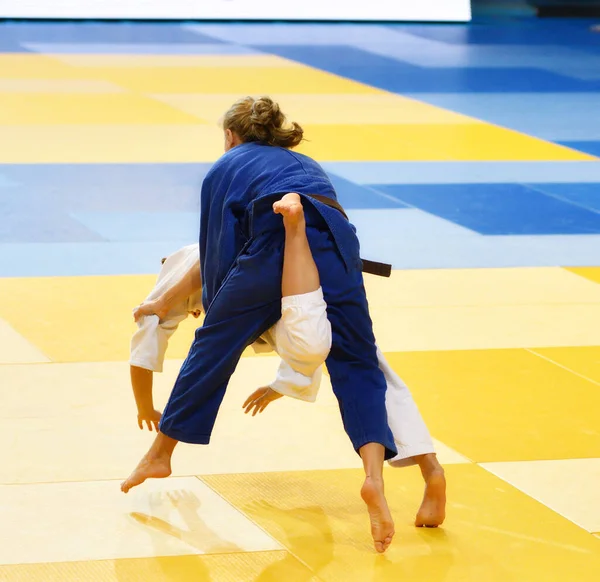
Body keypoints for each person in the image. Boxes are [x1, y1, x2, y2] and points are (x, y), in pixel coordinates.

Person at [121, 96, 442, 553]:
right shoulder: (303, 161)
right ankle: (374, 477)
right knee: (360, 365)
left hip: (273, 243)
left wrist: (221, 314)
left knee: (211, 350)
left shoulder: (224, 167)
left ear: (230, 136)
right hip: (338, 244)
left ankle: (160, 455)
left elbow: (220, 249)